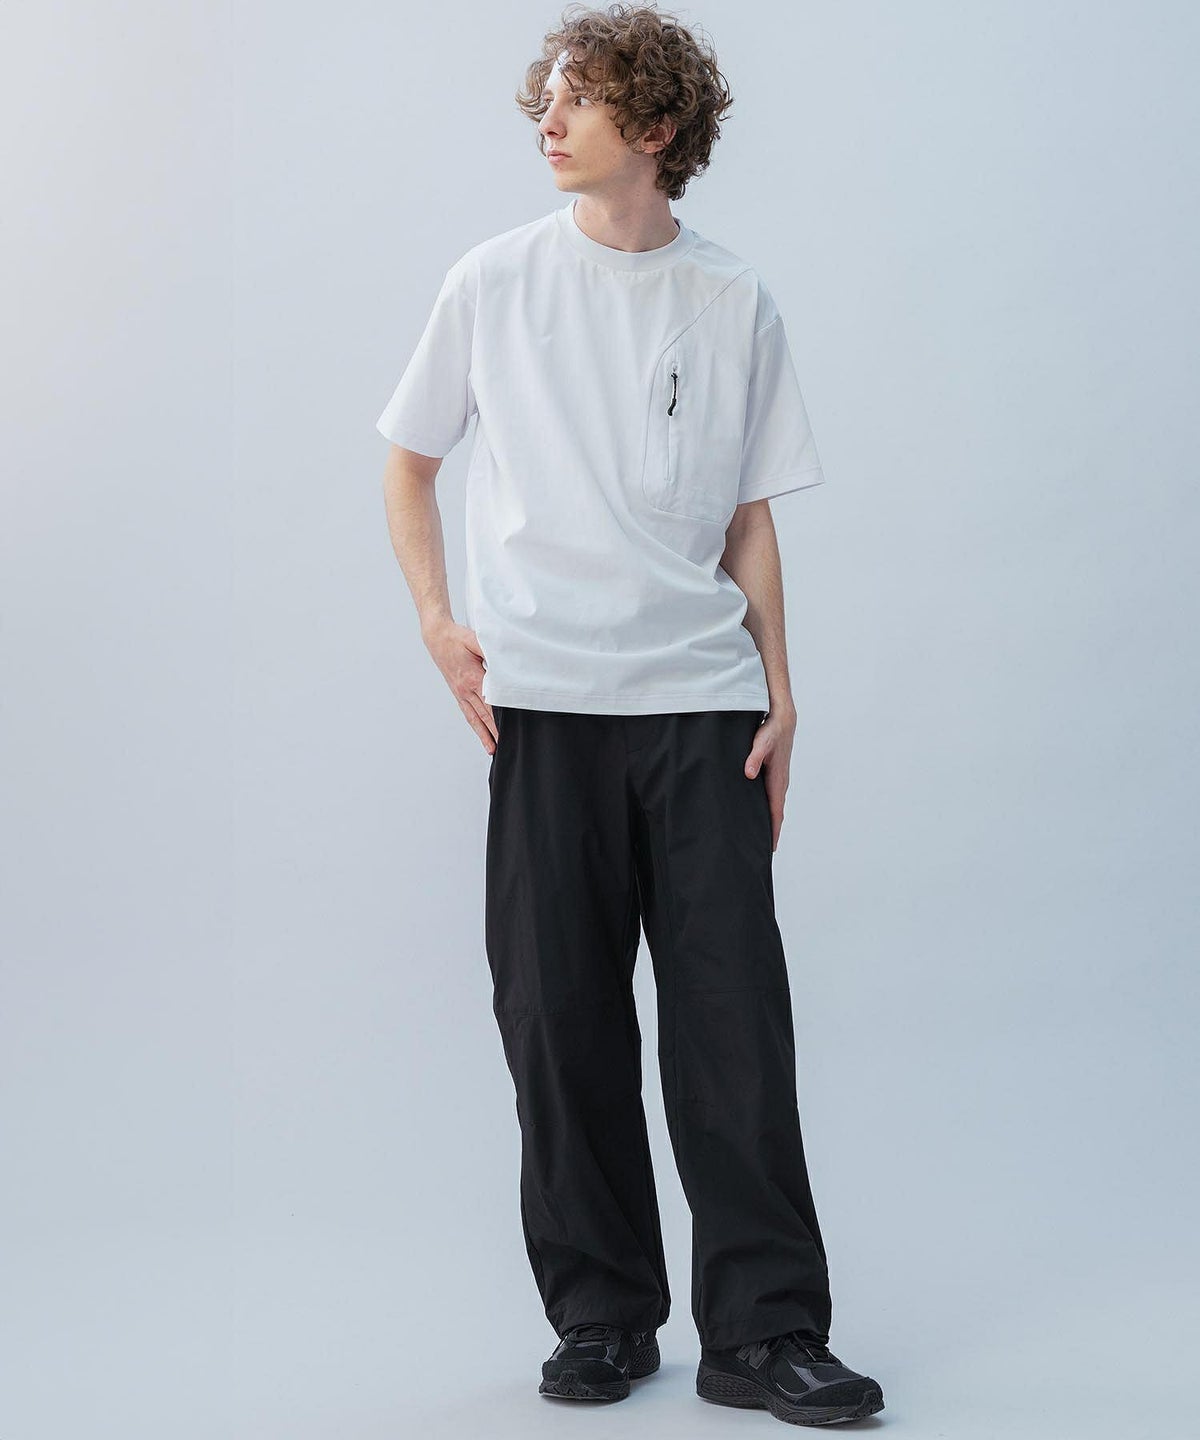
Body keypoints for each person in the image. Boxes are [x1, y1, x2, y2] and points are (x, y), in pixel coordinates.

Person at [375, 4, 884, 1426]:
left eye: (581, 98)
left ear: (655, 127)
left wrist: (783, 690)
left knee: (734, 1021)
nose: (549, 119)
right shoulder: (493, 281)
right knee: (559, 1018)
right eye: (545, 97)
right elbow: (409, 462)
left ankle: (766, 1333)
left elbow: (750, 518)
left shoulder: (733, 299)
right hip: (543, 707)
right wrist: (438, 623)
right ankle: (603, 1316)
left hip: (701, 708)